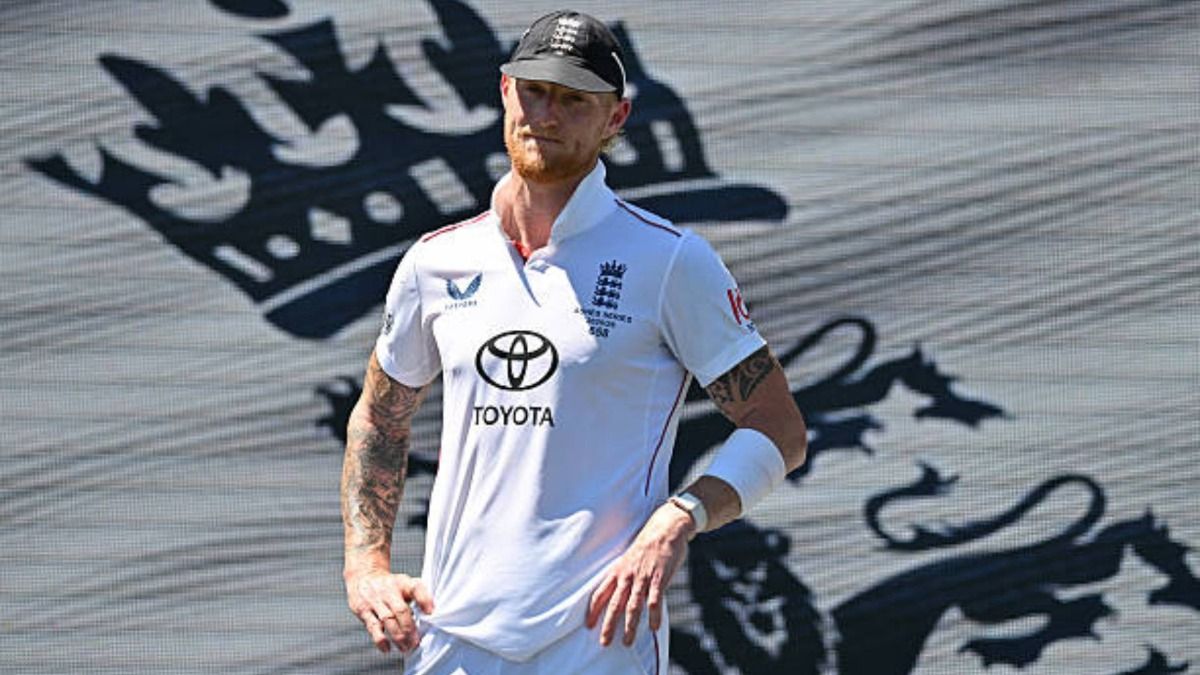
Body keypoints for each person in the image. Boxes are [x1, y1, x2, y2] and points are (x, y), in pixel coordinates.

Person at [340, 9, 808, 674]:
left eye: (573, 100)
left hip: (598, 640)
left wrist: (679, 519)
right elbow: (380, 417)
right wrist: (366, 565)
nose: (547, 115)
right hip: (448, 638)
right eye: (534, 90)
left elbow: (779, 428)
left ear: (615, 119)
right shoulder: (433, 262)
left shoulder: (669, 259)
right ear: (505, 92)